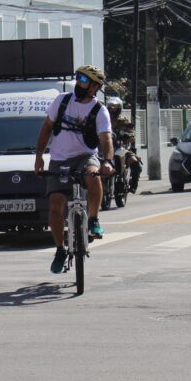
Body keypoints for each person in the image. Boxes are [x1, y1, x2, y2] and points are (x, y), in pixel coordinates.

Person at [34, 65, 115, 274]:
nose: (79, 83)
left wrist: (107, 161)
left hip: (85, 156)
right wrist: (39, 157)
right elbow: (46, 128)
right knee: (55, 204)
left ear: (95, 87)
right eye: (78, 78)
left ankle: (94, 219)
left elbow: (105, 139)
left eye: (84, 80)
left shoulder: (100, 110)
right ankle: (60, 249)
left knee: (92, 175)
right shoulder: (61, 101)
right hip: (59, 159)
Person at [105, 96, 141, 193]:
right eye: (111, 106)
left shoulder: (124, 121)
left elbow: (132, 132)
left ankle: (133, 185)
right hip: (105, 148)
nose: (113, 109)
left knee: (136, 164)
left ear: (119, 108)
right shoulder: (103, 118)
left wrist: (127, 136)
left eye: (115, 107)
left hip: (121, 148)